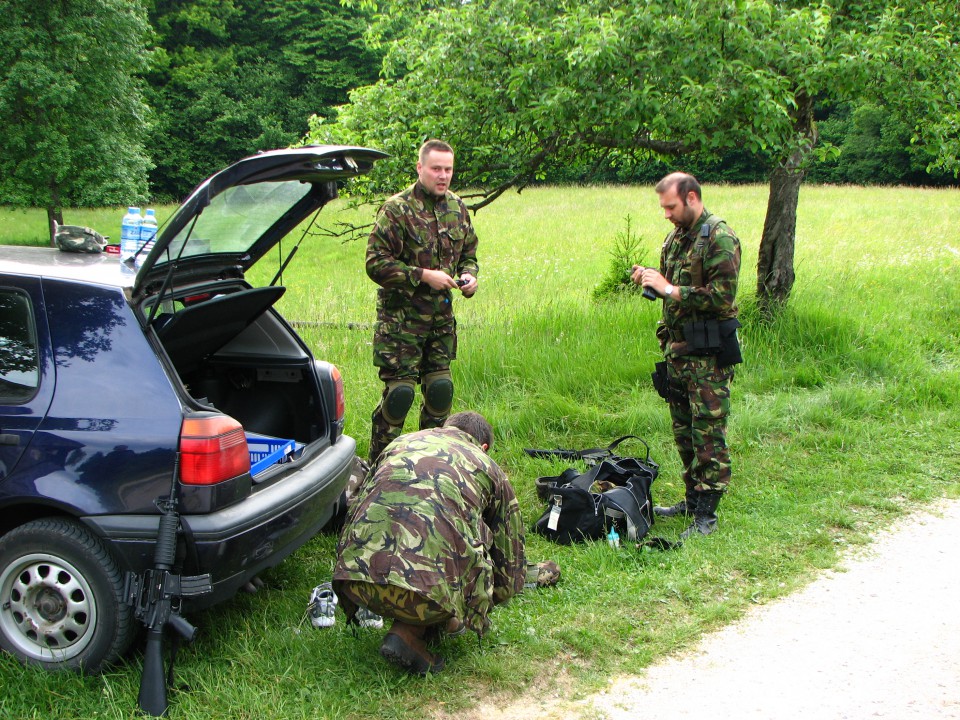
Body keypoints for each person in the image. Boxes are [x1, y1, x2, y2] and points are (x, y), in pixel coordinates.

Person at [333, 411, 545, 675]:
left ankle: (410, 623)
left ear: (444, 428)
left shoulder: (399, 444)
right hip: (425, 595)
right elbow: (510, 563)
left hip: (355, 583)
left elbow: (354, 510)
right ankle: (411, 630)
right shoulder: (488, 466)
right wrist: (475, 607)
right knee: (453, 551)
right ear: (485, 447)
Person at [631, 172, 741, 539]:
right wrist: (650, 278)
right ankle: (692, 499)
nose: (666, 214)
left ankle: (707, 514)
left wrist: (671, 289)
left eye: (671, 207)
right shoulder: (676, 238)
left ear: (692, 197)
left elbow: (721, 298)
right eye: (663, 207)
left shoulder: (720, 238)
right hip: (677, 352)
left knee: (708, 434)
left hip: (707, 356)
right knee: (684, 432)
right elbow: (670, 281)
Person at [365, 140, 480, 464]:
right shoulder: (397, 209)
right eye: (436, 169)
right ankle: (380, 466)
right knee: (399, 396)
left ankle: (428, 465)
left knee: (440, 392)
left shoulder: (457, 208)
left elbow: (469, 255)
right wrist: (422, 275)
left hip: (440, 321)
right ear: (420, 168)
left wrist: (469, 277)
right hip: (401, 323)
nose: (443, 175)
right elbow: (375, 262)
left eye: (448, 169)